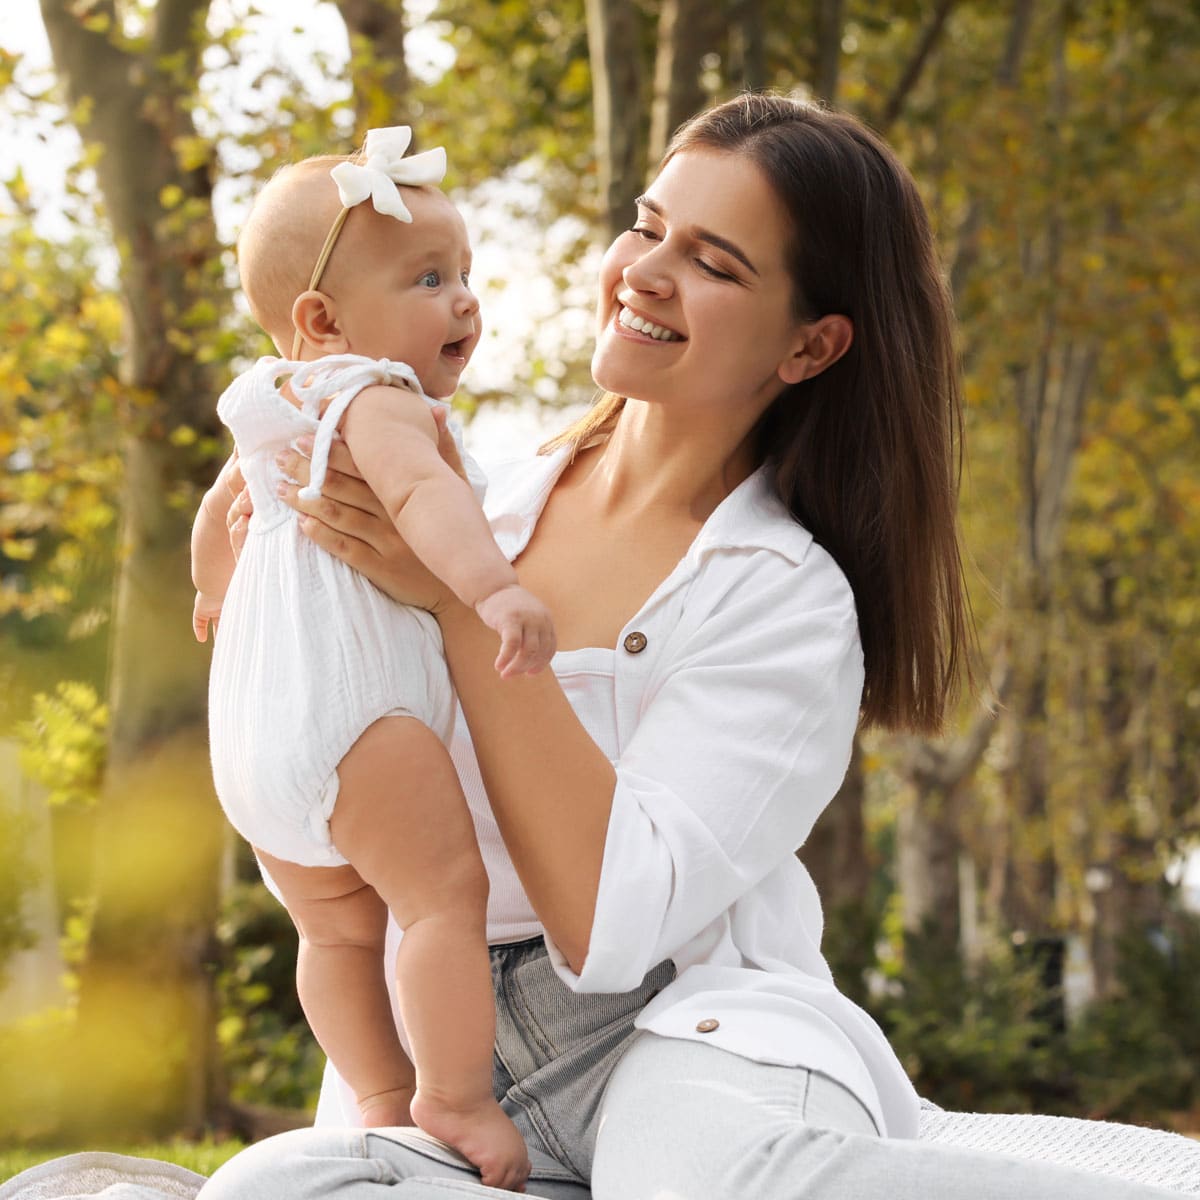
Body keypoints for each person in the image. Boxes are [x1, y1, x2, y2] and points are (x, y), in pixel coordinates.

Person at [195, 93, 1182, 1199]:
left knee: (716, 1184)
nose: (645, 273)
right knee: (268, 1192)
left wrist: (459, 610)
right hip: (448, 1048)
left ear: (811, 345)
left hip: (679, 1037)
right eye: (647, 224)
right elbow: (329, 760)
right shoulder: (470, 498)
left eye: (713, 263)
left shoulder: (784, 600)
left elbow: (613, 922)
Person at [190, 126, 551, 1191]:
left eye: (467, 275)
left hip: (256, 738)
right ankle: (453, 1098)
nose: (465, 302)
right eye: (430, 278)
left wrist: (215, 590)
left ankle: (380, 1107)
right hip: (359, 713)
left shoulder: (266, 407)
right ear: (323, 320)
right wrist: (493, 589)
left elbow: (221, 516)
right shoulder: (380, 396)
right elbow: (427, 499)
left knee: (336, 936)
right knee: (440, 900)